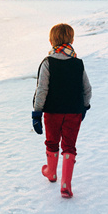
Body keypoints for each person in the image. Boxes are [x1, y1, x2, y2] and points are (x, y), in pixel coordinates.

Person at [32, 23, 92, 198]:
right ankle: (65, 185)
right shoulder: (78, 63)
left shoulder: (47, 63)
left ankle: (51, 173)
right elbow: (87, 89)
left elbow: (42, 90)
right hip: (74, 112)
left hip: (52, 112)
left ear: (51, 41)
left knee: (52, 142)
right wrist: (84, 107)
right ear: (72, 40)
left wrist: (37, 113)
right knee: (69, 145)